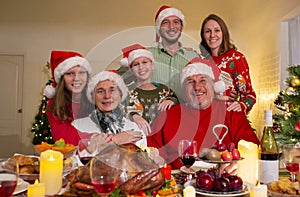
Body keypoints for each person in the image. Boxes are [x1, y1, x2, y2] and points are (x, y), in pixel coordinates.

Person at [147, 57, 260, 174]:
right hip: (179, 185)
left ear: (213, 85)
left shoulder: (231, 113)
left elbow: (252, 148)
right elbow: (151, 152)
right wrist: (156, 160)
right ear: (184, 88)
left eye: (203, 80)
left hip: (223, 184)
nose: (197, 87)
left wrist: (238, 166)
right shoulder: (166, 116)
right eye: (190, 82)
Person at [118, 5, 201, 101]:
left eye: (176, 22)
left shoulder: (193, 56)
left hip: (185, 113)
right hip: (152, 114)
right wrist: (130, 62)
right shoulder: (145, 55)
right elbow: (119, 80)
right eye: (166, 22)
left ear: (181, 27)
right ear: (159, 28)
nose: (171, 27)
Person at [72, 70, 147, 147]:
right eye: (100, 91)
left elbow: (142, 157)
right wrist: (115, 140)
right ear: (92, 97)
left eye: (112, 90)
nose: (107, 96)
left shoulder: (135, 128)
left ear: (121, 95)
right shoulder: (77, 126)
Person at [199, 14, 256, 114]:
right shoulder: (203, 63)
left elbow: (249, 95)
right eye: (208, 31)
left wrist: (240, 105)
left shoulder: (236, 58)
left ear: (223, 33)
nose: (212, 35)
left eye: (217, 30)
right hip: (206, 119)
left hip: (228, 118)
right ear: (203, 36)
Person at [119, 43, 179, 135]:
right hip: (137, 141)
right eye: (136, 64)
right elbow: (119, 112)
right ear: (131, 70)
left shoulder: (165, 90)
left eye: (145, 62)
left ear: (153, 66)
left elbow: (181, 105)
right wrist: (133, 116)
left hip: (162, 139)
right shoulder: (125, 92)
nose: (141, 67)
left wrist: (173, 100)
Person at [45, 50, 94, 145]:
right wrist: (97, 139)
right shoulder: (55, 104)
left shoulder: (95, 99)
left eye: (81, 72)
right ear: (62, 78)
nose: (76, 78)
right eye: (70, 73)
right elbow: (65, 140)